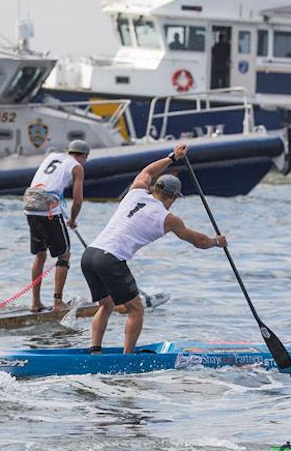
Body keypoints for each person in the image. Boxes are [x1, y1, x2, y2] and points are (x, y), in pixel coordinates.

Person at [81, 143, 226, 353]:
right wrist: (217, 242)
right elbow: (199, 241)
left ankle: (95, 351)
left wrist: (172, 157)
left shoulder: (136, 192)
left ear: (155, 189)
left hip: (90, 254)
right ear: (173, 197)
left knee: (107, 305)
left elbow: (148, 171)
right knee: (136, 308)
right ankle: (127, 358)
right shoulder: (168, 219)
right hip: (110, 259)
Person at [23, 140, 89, 312]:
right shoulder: (77, 167)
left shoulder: (53, 156)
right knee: (64, 255)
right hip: (47, 211)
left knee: (40, 254)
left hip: (30, 206)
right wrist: (73, 220)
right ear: (83, 156)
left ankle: (35, 302)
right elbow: (77, 200)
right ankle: (58, 302)